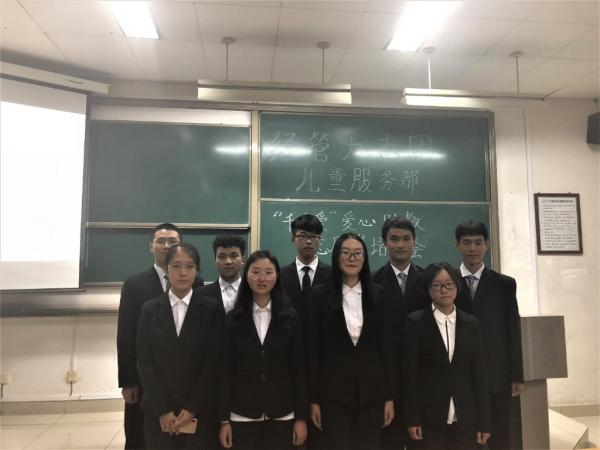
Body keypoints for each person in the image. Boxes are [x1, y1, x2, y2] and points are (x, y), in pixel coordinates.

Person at [117, 223, 204, 450]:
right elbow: (126, 335)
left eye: (172, 241)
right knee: (141, 435)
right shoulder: (134, 284)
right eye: (160, 241)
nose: (166, 245)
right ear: (151, 246)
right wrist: (127, 381)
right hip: (146, 379)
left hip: (186, 382)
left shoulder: (196, 282)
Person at [308, 233, 395, 450]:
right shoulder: (320, 295)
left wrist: (390, 397)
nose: (352, 258)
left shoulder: (378, 294)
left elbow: (386, 348)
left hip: (372, 393)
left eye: (357, 253)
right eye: (346, 253)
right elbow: (313, 350)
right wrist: (313, 399)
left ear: (365, 258)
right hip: (332, 394)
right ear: (336, 257)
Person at [218, 250, 308, 450]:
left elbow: (299, 370)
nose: (262, 278)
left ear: (277, 276)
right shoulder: (233, 318)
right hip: (242, 414)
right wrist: (224, 420)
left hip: (283, 412)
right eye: (256, 272)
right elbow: (225, 371)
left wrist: (301, 418)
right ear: (246, 275)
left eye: (268, 272)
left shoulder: (290, 317)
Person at [137, 243, 223, 450]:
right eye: (176, 266)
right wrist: (163, 409)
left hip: (199, 410)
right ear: (166, 270)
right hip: (159, 411)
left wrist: (192, 407)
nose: (183, 273)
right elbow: (145, 362)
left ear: (197, 270)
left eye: (189, 266)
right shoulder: (150, 310)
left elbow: (212, 362)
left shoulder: (212, 309)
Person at [403, 262, 491, 450]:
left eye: (449, 284)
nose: (444, 290)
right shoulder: (415, 322)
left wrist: (484, 421)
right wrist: (412, 418)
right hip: (429, 417)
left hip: (466, 415)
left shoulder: (472, 324)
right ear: (428, 289)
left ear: (457, 286)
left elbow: (480, 375)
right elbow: (409, 375)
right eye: (437, 285)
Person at [453, 220, 524, 450]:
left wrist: (516, 375)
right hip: (460, 373)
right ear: (457, 245)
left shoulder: (504, 284)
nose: (472, 248)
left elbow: (512, 330)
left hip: (496, 373)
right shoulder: (446, 282)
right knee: (464, 436)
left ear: (487, 245)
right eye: (466, 243)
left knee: (499, 435)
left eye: (478, 242)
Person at [372, 218, 427, 450]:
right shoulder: (372, 282)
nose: (400, 245)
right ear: (384, 243)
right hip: (385, 379)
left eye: (406, 239)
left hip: (423, 379)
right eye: (394, 239)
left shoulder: (429, 280)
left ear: (414, 242)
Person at [280, 214, 332, 330]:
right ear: (293, 238)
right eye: (302, 236)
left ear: (320, 239)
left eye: (314, 236)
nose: (308, 241)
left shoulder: (332, 274)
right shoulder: (281, 275)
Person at [196, 234, 246, 313]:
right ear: (215, 260)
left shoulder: (253, 292)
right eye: (222, 256)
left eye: (234, 256)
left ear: (243, 260)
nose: (228, 261)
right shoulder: (200, 294)